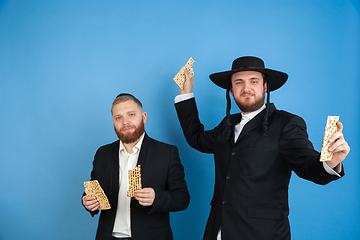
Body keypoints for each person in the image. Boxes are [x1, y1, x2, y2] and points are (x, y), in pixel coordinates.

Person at [174, 56, 350, 240]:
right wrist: (186, 94)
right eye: (238, 82)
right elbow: (197, 139)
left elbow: (307, 163)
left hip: (262, 233)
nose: (246, 88)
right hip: (217, 231)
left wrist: (330, 161)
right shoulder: (227, 124)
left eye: (254, 81)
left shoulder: (287, 123)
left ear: (265, 87)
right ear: (231, 90)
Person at [82, 93, 190, 240]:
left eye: (131, 114)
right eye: (118, 117)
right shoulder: (103, 154)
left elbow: (182, 198)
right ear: (113, 122)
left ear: (144, 117)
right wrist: (88, 201)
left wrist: (156, 197)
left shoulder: (167, 153)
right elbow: (94, 190)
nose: (125, 122)